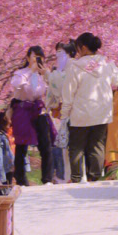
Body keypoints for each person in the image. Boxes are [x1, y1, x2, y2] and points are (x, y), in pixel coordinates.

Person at [59, 32, 118, 184]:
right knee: (97, 146)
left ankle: (76, 178)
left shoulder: (75, 67)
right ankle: (94, 177)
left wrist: (64, 114)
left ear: (84, 47)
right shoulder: (107, 64)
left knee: (76, 146)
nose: (77, 52)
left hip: (80, 115)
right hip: (102, 113)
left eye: (78, 48)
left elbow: (68, 93)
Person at [10, 45, 55, 186]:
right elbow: (16, 86)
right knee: (21, 144)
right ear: (28, 57)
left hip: (38, 109)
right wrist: (31, 72)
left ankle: (47, 178)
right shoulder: (21, 73)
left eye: (40, 57)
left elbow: (51, 89)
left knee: (45, 143)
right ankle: (21, 179)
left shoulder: (43, 75)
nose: (37, 60)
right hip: (23, 109)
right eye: (34, 56)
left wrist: (45, 74)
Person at [46, 40, 76, 184]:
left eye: (61, 52)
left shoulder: (72, 66)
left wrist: (47, 74)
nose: (58, 55)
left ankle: (71, 175)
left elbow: (57, 84)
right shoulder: (61, 69)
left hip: (73, 110)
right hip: (64, 111)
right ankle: (68, 176)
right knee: (65, 145)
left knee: (71, 145)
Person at [0, 110, 15, 187]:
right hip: (7, 166)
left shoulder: (9, 133)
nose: (10, 127)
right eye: (9, 124)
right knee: (8, 185)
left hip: (13, 164)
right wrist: (2, 177)